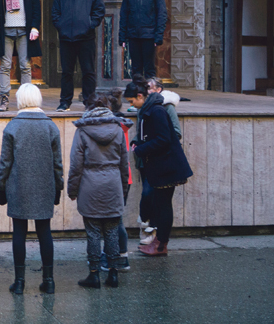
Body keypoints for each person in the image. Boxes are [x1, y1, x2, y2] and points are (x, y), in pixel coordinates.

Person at [0, 84, 62, 294]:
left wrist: (2, 188)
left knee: (19, 232)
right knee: (45, 232)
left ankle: (19, 282)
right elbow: (57, 164)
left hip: (19, 186)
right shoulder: (50, 126)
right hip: (45, 186)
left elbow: (5, 163)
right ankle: (50, 280)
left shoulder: (12, 126)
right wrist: (58, 187)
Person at [125, 75, 193, 257]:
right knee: (161, 204)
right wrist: (138, 143)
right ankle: (158, 242)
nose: (131, 105)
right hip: (162, 164)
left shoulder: (156, 111)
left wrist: (140, 149)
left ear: (140, 96)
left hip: (167, 165)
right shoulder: (150, 109)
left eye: (132, 101)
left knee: (163, 206)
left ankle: (161, 245)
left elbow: (164, 139)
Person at [68, 93, 129, 289]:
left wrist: (72, 190)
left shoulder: (83, 131)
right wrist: (123, 189)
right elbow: (124, 163)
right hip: (112, 185)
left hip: (89, 185)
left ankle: (93, 274)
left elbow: (76, 165)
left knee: (93, 232)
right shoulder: (118, 129)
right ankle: (113, 274)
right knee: (111, 231)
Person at [133, 76, 182, 245]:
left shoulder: (163, 108)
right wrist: (136, 141)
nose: (147, 91)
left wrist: (146, 147)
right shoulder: (144, 107)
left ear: (158, 90)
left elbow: (173, 133)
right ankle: (150, 230)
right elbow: (143, 130)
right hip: (146, 158)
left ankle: (155, 235)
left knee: (155, 197)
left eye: (150, 87)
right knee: (149, 196)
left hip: (159, 160)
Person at [51, 0, 105, 112]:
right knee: (66, 72)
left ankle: (90, 103)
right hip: (66, 38)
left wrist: (89, 25)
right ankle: (65, 102)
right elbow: (55, 12)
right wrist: (61, 27)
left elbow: (99, 11)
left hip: (86, 38)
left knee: (88, 71)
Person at [101, 89, 134, 272]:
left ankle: (117, 257)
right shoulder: (122, 124)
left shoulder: (110, 126)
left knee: (113, 220)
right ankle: (121, 256)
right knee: (117, 218)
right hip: (124, 176)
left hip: (113, 176)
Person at [119, 0, 167, 79]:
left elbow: (161, 13)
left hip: (149, 35)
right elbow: (124, 14)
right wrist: (122, 36)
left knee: (149, 68)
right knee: (135, 68)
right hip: (133, 34)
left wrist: (158, 35)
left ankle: (150, 95)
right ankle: (138, 94)